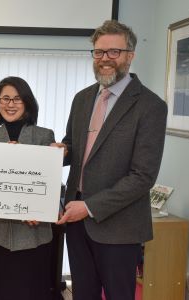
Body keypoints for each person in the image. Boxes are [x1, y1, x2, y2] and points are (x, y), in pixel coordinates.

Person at [54, 20, 168, 300]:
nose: (105, 59)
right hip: (76, 221)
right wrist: (60, 152)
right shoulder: (82, 99)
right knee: (83, 294)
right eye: (98, 52)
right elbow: (74, 146)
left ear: (130, 55)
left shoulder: (150, 106)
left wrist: (89, 207)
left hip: (119, 227)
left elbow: (142, 177)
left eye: (113, 52)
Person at [0, 76, 56, 300]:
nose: (10, 104)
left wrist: (39, 210)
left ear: (27, 103)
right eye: (5, 98)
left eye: (17, 99)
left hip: (33, 236)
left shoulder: (44, 136)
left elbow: (48, 184)